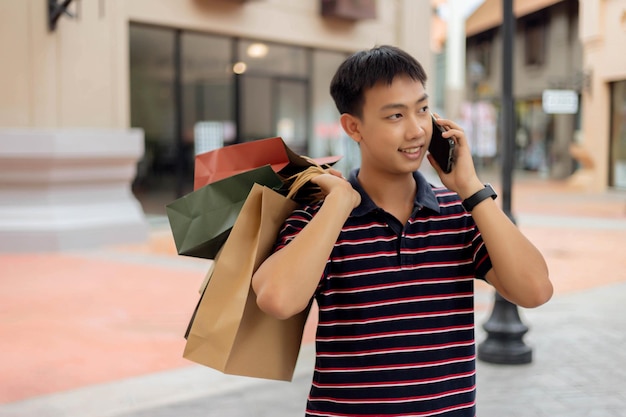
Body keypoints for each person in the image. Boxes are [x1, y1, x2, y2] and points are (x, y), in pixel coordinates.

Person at [252, 45, 553, 417]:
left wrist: (472, 188)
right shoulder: (321, 219)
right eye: (395, 115)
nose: (416, 130)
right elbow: (277, 300)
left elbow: (535, 291)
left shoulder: (460, 213)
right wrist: (338, 205)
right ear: (353, 126)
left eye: (423, 109)